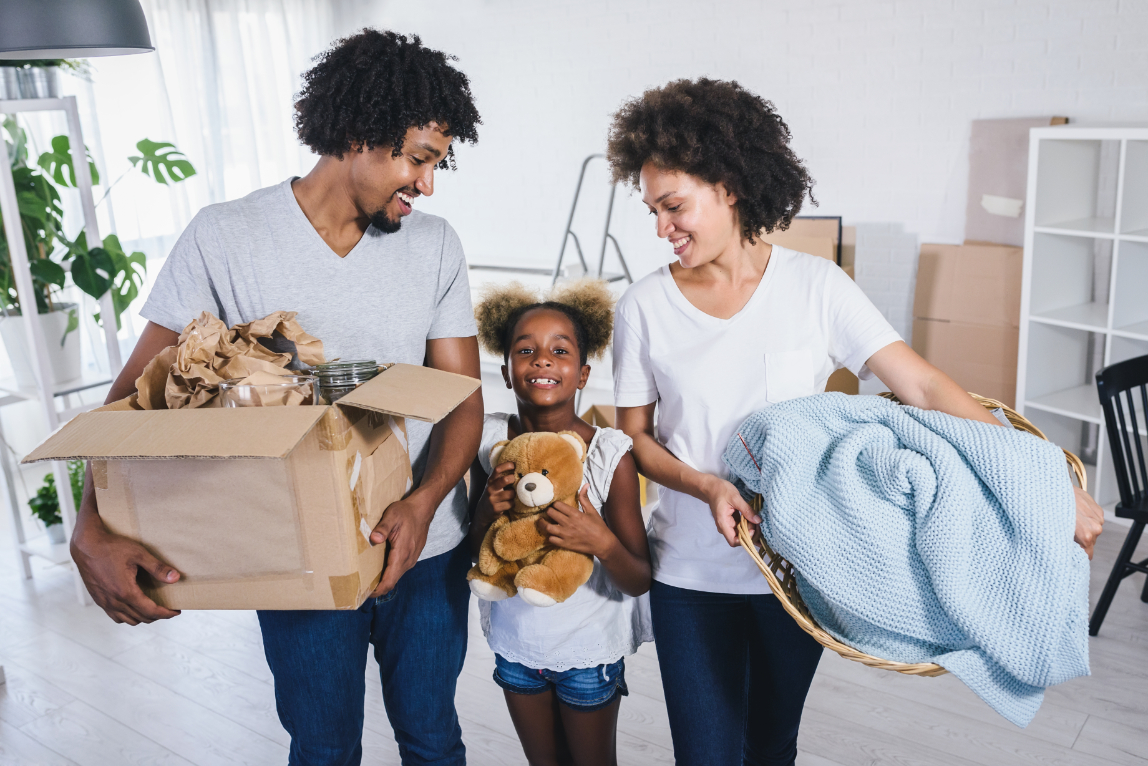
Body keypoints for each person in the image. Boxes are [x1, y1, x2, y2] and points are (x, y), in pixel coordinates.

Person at [605, 78, 1105, 766]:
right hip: (690, 575)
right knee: (705, 755)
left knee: (772, 745)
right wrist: (706, 486)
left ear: (729, 185)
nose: (662, 228)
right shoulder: (645, 307)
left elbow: (923, 386)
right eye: (653, 211)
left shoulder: (815, 288)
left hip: (802, 576)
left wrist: (1044, 482)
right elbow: (633, 436)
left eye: (673, 206)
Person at [68, 30, 484, 766]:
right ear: (358, 135)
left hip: (426, 548)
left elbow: (461, 399)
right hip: (299, 548)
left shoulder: (437, 245)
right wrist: (87, 525)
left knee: (432, 737)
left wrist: (424, 505)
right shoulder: (225, 238)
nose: (427, 183)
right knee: (322, 748)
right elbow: (137, 395)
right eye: (418, 158)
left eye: (436, 163)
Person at [467, 280, 652, 766]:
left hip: (588, 655)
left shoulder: (611, 455)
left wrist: (602, 543)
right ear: (506, 372)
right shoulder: (489, 444)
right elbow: (471, 549)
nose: (542, 360)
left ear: (583, 373)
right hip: (515, 650)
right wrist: (487, 509)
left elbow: (637, 579)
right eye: (525, 350)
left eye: (559, 351)